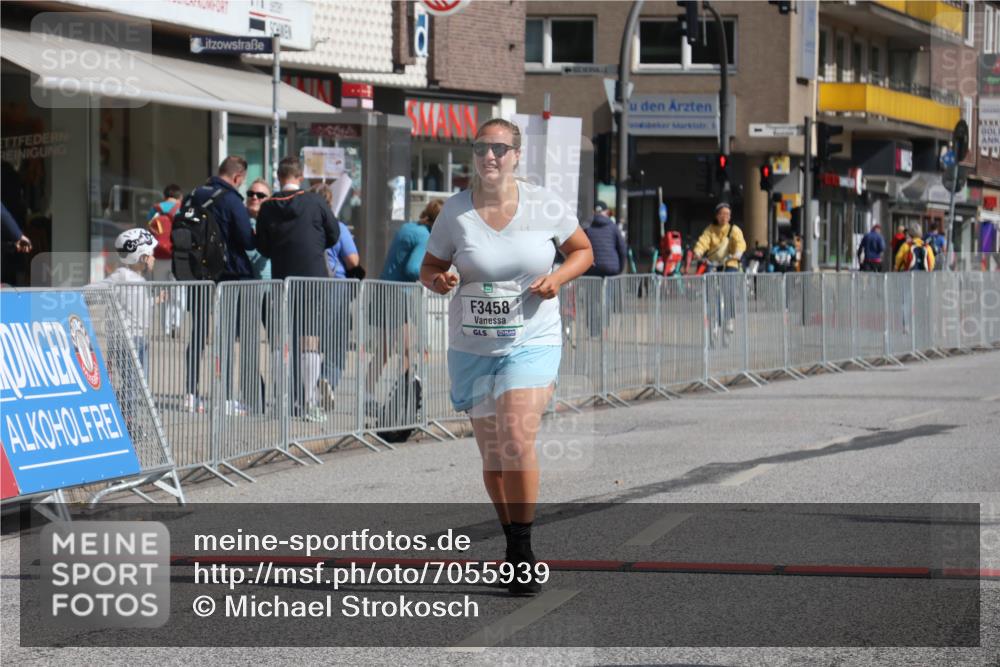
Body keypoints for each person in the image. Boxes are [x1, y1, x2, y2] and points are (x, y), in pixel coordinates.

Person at [420, 118, 593, 597]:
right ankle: (512, 538)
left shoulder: (542, 203)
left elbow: (582, 251)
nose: (489, 156)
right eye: (481, 148)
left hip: (531, 341)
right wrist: (440, 280)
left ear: (517, 155)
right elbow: (430, 265)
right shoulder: (455, 212)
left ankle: (521, 549)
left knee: (516, 439)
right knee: (494, 459)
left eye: (499, 148)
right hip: (473, 347)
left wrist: (557, 279)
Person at [256, 157, 340, 422]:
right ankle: (309, 402)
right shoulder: (315, 202)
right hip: (313, 276)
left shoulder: (268, 207)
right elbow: (334, 234)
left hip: (283, 277)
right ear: (300, 176)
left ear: (278, 177)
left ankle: (285, 399)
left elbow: (262, 244)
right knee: (309, 339)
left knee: (284, 339)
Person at [181, 156, 256, 415]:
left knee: (198, 333)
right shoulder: (232, 201)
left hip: (197, 273)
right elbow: (247, 240)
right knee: (224, 337)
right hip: (227, 274)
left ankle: (190, 394)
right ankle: (223, 397)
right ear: (237, 177)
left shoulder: (193, 195)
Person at [89, 229, 160, 376]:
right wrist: (70, 296)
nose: (154, 258)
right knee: (131, 385)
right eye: (152, 254)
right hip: (127, 339)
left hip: (140, 337)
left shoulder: (139, 279)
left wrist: (155, 300)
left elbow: (139, 306)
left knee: (140, 383)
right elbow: (94, 289)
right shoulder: (122, 276)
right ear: (143, 257)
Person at [692, 202, 746, 333]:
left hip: (730, 263)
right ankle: (712, 316)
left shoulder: (734, 229)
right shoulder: (710, 229)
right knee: (710, 288)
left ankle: (729, 319)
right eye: (722, 214)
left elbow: (740, 243)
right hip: (713, 263)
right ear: (716, 215)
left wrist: (738, 253)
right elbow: (703, 242)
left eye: (727, 214)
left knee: (729, 289)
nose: (725, 216)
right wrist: (698, 252)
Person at [147, 184, 184, 336]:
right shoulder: (181, 208)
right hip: (177, 256)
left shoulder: (154, 209)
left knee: (161, 293)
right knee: (179, 292)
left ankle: (166, 328)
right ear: (179, 196)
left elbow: (149, 230)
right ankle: (176, 322)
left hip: (158, 255)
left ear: (164, 196)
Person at [584, 200, 626, 277]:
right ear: (606, 212)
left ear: (593, 212)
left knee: (592, 288)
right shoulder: (613, 227)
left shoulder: (587, 228)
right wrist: (620, 268)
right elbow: (622, 249)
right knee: (611, 288)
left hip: (592, 268)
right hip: (611, 268)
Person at [245, 178, 272, 281]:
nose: (254, 197)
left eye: (260, 195)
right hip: (244, 286)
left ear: (269, 200)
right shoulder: (239, 221)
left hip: (271, 287)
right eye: (250, 193)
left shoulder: (274, 223)